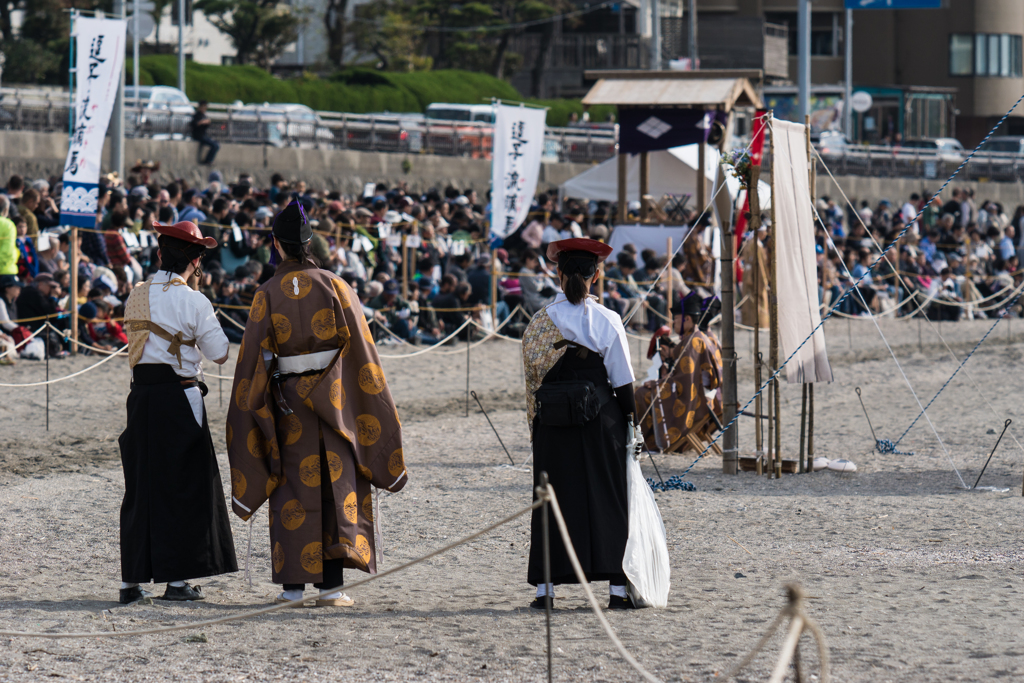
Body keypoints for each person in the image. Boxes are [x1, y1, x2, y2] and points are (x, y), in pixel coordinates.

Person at [226, 201, 408, 607]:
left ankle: (292, 590)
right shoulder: (338, 286)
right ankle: (332, 589)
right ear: (311, 242)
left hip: (286, 404)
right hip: (337, 400)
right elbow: (363, 355)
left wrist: (259, 405)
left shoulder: (266, 293)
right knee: (336, 483)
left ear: (276, 244)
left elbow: (251, 361)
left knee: (290, 484)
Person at [117, 219, 237, 604]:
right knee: (184, 487)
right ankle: (177, 581)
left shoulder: (135, 293)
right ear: (196, 260)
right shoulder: (194, 301)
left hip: (141, 397)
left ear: (158, 254)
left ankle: (130, 582)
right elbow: (219, 354)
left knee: (141, 486)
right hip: (180, 396)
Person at [521, 237, 639, 610]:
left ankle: (546, 590)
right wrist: (631, 423)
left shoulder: (540, 322)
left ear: (557, 274)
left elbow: (531, 381)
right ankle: (617, 591)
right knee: (609, 499)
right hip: (600, 420)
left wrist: (535, 426)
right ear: (597, 276)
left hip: (553, 424)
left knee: (553, 501)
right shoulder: (607, 319)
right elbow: (623, 381)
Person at [634, 294, 723, 452]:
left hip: (696, 399)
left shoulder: (691, 342)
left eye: (675, 319)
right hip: (707, 395)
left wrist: (657, 383)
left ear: (687, 319)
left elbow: (685, 382)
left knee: (640, 394)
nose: (673, 323)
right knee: (646, 391)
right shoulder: (699, 337)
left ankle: (646, 442)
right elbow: (685, 377)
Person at [191, 100, 220, 166]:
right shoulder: (197, 115)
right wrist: (203, 122)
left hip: (203, 135)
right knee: (215, 145)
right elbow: (195, 124)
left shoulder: (204, 115)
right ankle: (208, 160)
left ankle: (209, 160)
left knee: (216, 144)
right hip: (198, 136)